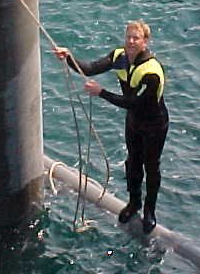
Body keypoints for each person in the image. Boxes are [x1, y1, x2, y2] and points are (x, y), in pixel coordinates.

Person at [53, 20, 169, 234]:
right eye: (128, 37)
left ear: (145, 42)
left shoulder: (152, 72)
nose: (131, 42)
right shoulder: (120, 57)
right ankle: (134, 203)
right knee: (133, 162)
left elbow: (134, 102)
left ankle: (150, 211)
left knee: (151, 167)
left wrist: (101, 92)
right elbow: (89, 68)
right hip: (134, 121)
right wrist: (68, 57)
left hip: (154, 124)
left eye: (136, 38)